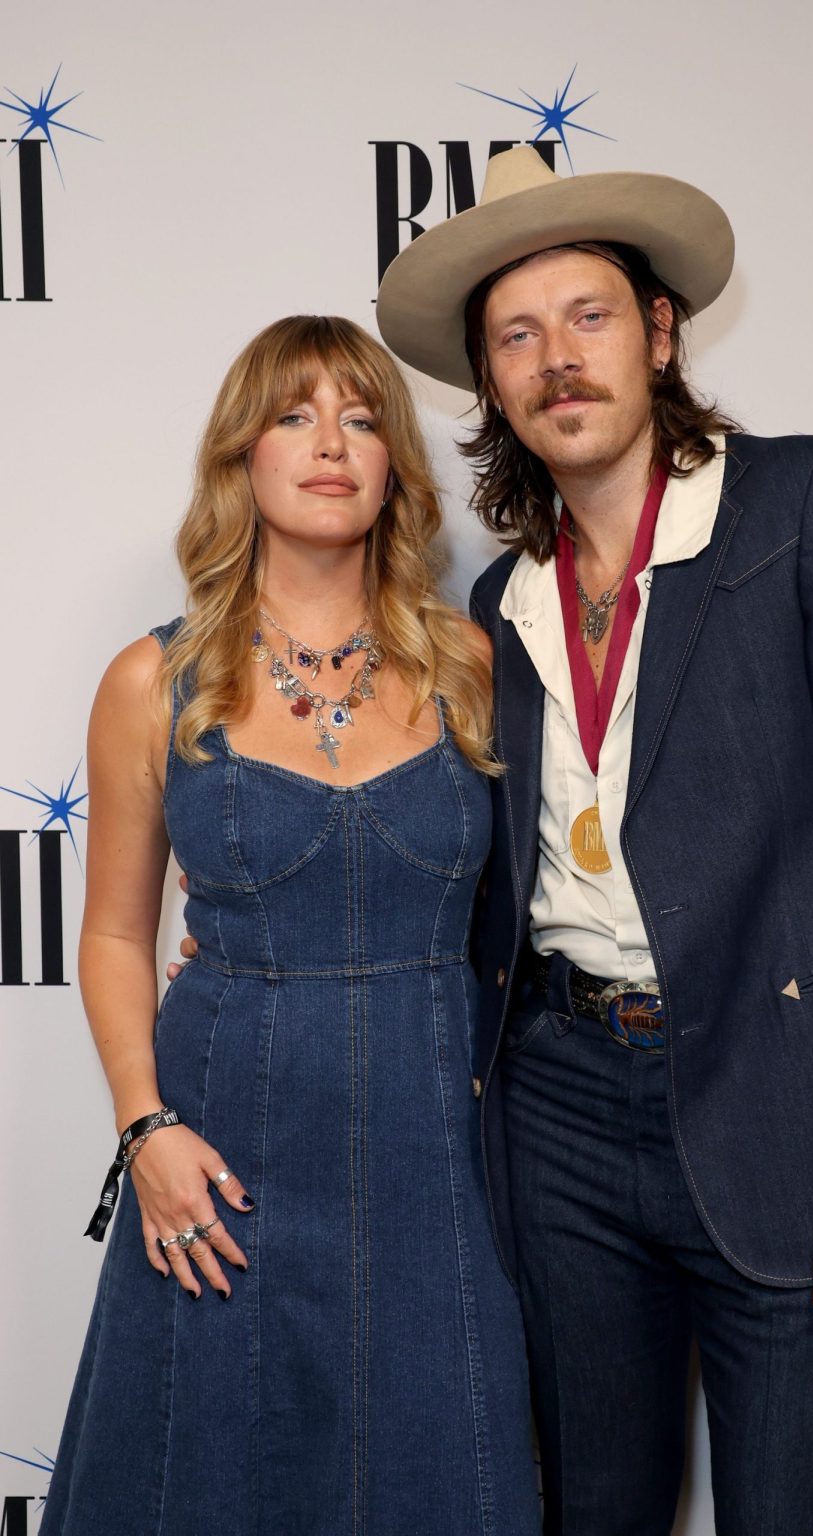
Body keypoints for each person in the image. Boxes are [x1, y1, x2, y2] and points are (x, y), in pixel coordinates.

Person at [374, 147, 813, 1535]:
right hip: (556, 1112)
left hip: (786, 1104)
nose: (556, 358)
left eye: (588, 316)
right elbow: (468, 870)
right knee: (592, 1511)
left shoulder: (812, 503)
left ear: (658, 334)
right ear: (491, 386)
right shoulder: (498, 601)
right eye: (516, 337)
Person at [41, 315, 540, 1536]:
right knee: (209, 1475)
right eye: (294, 415)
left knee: (444, 1470)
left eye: (362, 419)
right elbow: (115, 936)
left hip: (439, 1148)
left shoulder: (473, 663)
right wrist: (145, 1128)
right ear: (241, 456)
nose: (331, 443)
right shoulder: (153, 682)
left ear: (394, 466)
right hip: (223, 1149)